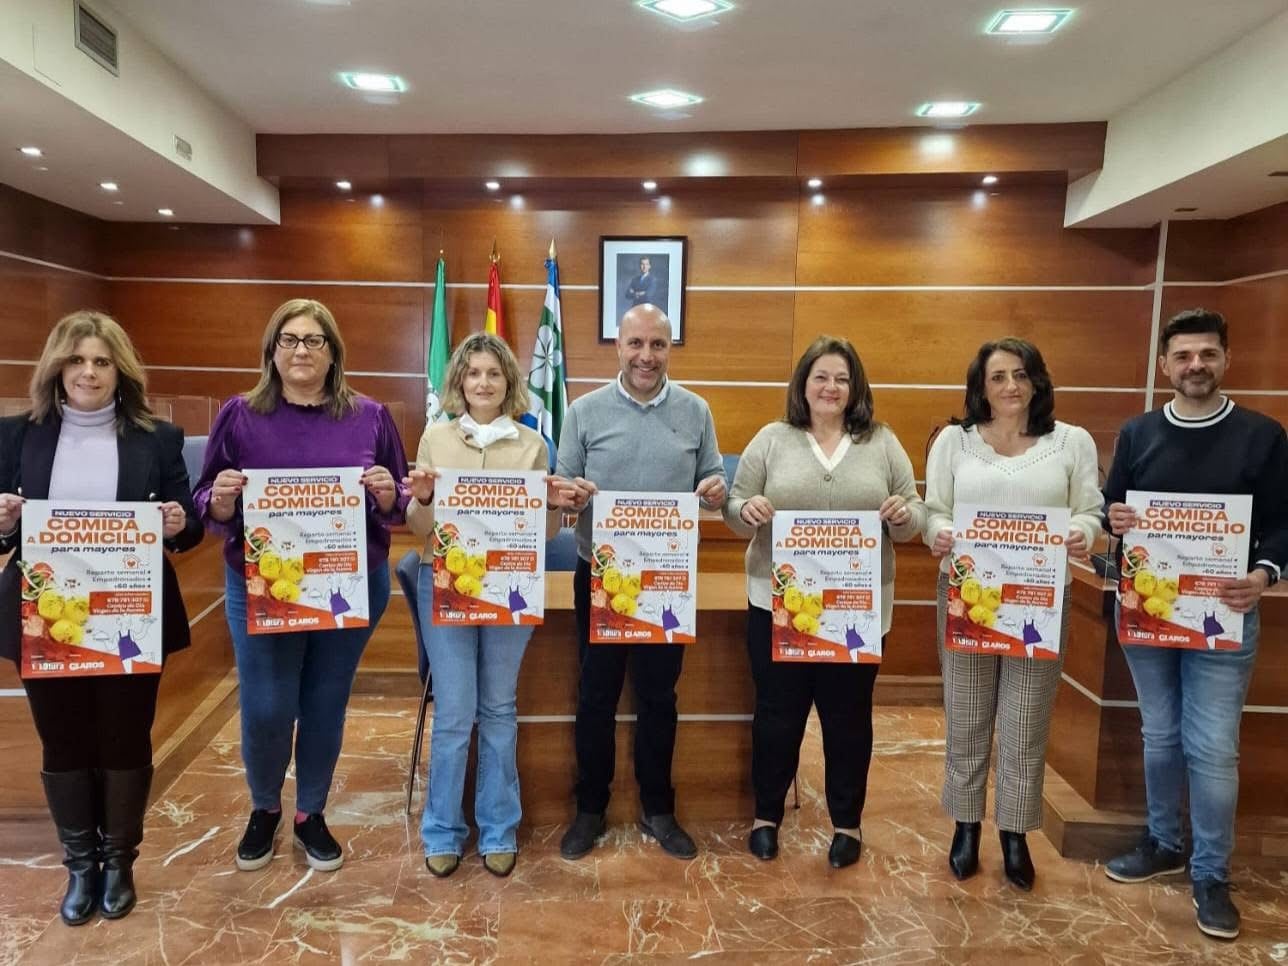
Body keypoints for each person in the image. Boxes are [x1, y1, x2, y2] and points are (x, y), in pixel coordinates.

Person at [192, 298, 409, 873]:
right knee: (267, 706)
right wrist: (218, 498)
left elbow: (400, 499)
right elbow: (203, 496)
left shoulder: (369, 415)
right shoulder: (240, 414)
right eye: (289, 340)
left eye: (314, 340)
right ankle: (265, 807)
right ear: (272, 351)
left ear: (334, 352)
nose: (301, 351)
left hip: (352, 583)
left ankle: (310, 813)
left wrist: (389, 492)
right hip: (263, 587)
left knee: (324, 702)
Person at [0, 311, 203, 925]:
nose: (89, 372)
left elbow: (188, 529)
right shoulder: (14, 435)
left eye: (102, 361)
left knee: (123, 736)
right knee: (62, 739)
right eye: (77, 360)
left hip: (128, 615)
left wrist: (177, 523)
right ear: (56, 368)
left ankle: (119, 862)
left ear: (121, 371)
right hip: (45, 619)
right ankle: (80, 866)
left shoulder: (157, 438)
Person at [1101, 309, 1288, 940]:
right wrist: (1116, 520)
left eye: (1207, 354)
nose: (1195, 366)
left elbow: (1285, 524)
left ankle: (1211, 873)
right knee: (1159, 735)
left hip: (1225, 616)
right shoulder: (1138, 432)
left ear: (1226, 359)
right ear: (1164, 366)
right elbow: (1112, 508)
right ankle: (1162, 842)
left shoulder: (1263, 436)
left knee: (1212, 748)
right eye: (1182, 357)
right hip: (1149, 614)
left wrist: (1263, 574)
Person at [723, 336, 926, 868]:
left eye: (841, 378)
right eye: (821, 377)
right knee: (776, 715)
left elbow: (916, 512)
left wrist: (906, 518)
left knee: (848, 719)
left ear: (855, 386)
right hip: (777, 608)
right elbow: (732, 504)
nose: (831, 387)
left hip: (856, 612)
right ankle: (766, 815)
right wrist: (746, 511)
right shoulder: (772, 438)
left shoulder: (882, 442)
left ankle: (847, 824)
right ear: (803, 385)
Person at [924, 337, 1102, 891]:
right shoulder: (954, 441)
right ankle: (967, 825)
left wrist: (1083, 532)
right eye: (997, 376)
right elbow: (933, 509)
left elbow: (1091, 510)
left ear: (1037, 382)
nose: (1009, 387)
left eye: (1020, 375)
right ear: (981, 385)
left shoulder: (1071, 442)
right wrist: (937, 533)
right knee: (967, 712)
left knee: (1025, 719)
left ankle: (1016, 834)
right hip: (966, 597)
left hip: (1038, 601)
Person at [556, 303, 727, 861]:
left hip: (666, 580)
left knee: (659, 698)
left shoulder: (696, 411)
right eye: (636, 344)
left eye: (657, 344)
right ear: (618, 347)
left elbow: (713, 475)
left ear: (669, 348)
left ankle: (659, 810)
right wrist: (571, 493)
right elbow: (561, 482)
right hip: (599, 577)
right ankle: (589, 811)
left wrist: (716, 490)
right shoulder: (584, 411)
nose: (646, 356)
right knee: (596, 697)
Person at [403, 333, 575, 879]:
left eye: (493, 374)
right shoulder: (434, 437)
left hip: (509, 587)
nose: (483, 382)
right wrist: (425, 499)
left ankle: (499, 829)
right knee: (455, 714)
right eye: (473, 373)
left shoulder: (532, 445)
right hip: (445, 583)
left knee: (499, 709)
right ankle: (443, 831)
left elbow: (543, 535)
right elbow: (418, 529)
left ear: (509, 384)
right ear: (459, 381)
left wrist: (550, 506)